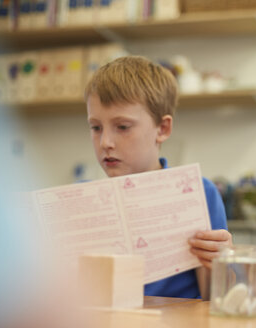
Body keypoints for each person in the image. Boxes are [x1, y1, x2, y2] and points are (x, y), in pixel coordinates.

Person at [84, 55, 232, 300]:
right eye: (95, 127)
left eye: (122, 127)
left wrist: (221, 261)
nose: (105, 142)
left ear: (162, 129)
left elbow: (215, 301)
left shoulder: (197, 192)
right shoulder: (83, 199)